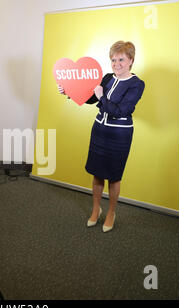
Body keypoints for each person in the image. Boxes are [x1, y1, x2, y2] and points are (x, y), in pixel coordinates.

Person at [59, 41, 145, 233]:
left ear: (131, 60)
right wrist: (69, 91)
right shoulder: (107, 78)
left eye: (121, 59)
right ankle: (96, 209)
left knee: (114, 177)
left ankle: (111, 213)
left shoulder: (137, 84)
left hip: (119, 134)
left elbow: (122, 110)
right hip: (99, 130)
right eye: (113, 60)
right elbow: (89, 97)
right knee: (97, 173)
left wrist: (102, 98)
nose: (116, 64)